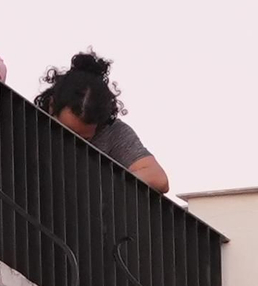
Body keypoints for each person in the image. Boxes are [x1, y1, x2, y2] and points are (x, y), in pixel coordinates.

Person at [36, 51, 169, 193]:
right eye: (64, 130)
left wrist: (98, 182)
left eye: (83, 139)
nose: (71, 141)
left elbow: (159, 179)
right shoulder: (30, 122)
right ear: (51, 106)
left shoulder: (113, 132)